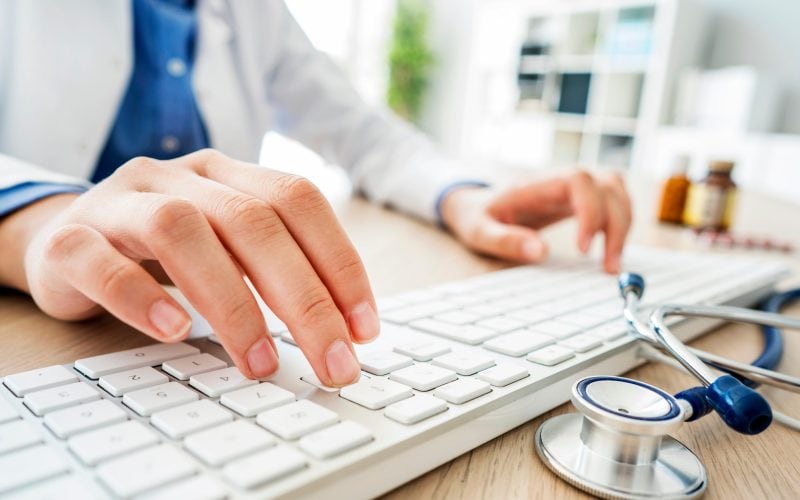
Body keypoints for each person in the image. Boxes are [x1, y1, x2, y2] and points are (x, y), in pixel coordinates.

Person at [0, 0, 631, 387]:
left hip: (206, 321)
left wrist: (461, 196)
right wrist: (38, 226)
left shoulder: (255, 13)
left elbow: (363, 133)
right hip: (38, 332)